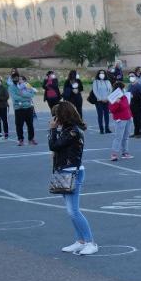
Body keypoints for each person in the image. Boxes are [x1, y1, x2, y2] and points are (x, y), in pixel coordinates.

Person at [49, 102, 98, 255]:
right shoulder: (65, 130)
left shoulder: (73, 131)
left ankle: (90, 242)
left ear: (63, 116)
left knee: (74, 211)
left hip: (72, 172)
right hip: (64, 171)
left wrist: (52, 129)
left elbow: (54, 146)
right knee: (70, 211)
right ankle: (80, 241)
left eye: (56, 116)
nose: (54, 119)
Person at [107, 79, 134, 161]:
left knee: (126, 137)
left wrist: (131, 116)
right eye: (122, 88)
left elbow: (127, 106)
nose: (123, 90)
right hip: (120, 119)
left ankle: (125, 152)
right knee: (118, 137)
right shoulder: (113, 98)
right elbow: (112, 110)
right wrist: (116, 102)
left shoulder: (124, 96)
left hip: (128, 118)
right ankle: (114, 154)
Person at [9, 73, 38, 146]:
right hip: (19, 108)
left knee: (30, 124)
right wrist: (26, 98)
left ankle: (31, 139)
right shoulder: (11, 87)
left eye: (17, 78)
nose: (16, 79)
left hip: (28, 107)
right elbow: (15, 98)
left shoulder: (26, 84)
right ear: (12, 79)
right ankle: (20, 139)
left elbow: (32, 94)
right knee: (19, 125)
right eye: (14, 78)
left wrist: (23, 96)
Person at [90, 69, 112, 134]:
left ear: (105, 74)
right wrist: (100, 98)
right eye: (100, 73)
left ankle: (107, 128)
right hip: (99, 101)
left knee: (106, 115)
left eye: (103, 73)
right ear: (98, 74)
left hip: (106, 100)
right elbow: (95, 91)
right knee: (100, 115)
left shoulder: (108, 81)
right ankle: (101, 129)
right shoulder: (95, 82)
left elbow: (110, 90)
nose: (101, 74)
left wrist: (107, 98)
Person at [128, 70, 141, 139]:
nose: (131, 77)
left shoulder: (139, 86)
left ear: (135, 77)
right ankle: (136, 132)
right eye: (129, 76)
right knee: (135, 120)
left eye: (132, 76)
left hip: (139, 105)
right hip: (132, 106)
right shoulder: (129, 86)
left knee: (140, 120)